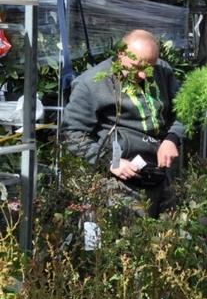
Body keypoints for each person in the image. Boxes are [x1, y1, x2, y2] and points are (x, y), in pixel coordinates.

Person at [63, 29, 184, 217]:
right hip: (120, 180)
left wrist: (172, 138)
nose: (144, 75)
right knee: (126, 239)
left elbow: (184, 111)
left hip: (161, 174)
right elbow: (72, 134)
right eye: (137, 66)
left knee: (168, 237)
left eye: (150, 67)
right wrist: (109, 160)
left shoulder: (163, 72)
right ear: (121, 54)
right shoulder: (90, 84)